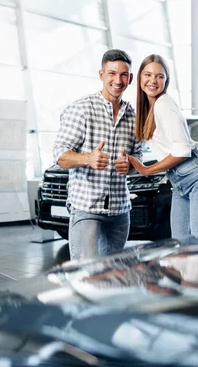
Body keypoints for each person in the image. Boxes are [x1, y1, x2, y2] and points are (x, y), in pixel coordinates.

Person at [52, 49, 142, 260]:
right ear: (101, 75)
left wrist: (128, 165)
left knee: (112, 278)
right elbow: (59, 155)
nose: (117, 80)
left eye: (123, 75)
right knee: (86, 276)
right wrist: (88, 158)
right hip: (87, 209)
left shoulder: (133, 117)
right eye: (111, 73)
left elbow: (138, 157)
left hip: (120, 212)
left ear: (130, 78)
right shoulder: (81, 109)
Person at [126, 54, 198, 240]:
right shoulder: (148, 109)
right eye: (147, 75)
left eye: (160, 76)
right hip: (179, 182)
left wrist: (147, 170)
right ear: (139, 77)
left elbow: (182, 151)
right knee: (182, 247)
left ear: (166, 80)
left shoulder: (164, 104)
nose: (153, 81)